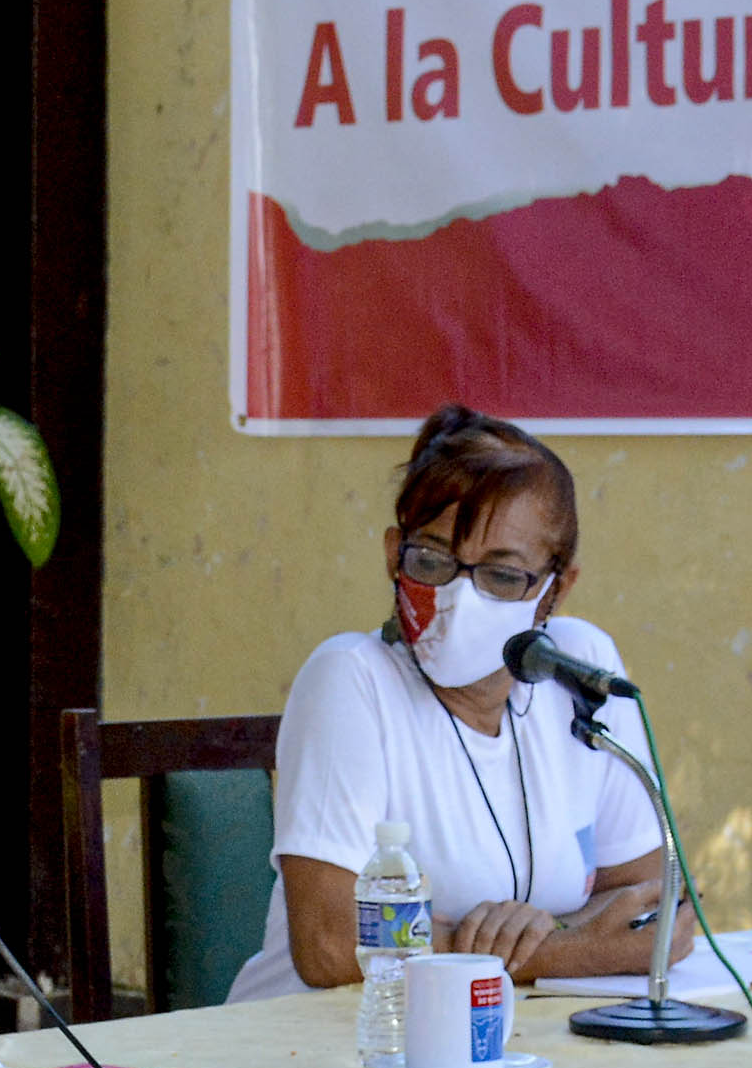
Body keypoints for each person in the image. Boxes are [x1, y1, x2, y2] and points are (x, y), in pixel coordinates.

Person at [228, 406, 694, 1003]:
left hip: (509, 1040)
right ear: (393, 553)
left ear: (556, 589)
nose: (458, 598)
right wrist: (569, 950)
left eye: (502, 576)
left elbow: (660, 907)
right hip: (322, 1054)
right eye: (432, 561)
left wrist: (543, 928)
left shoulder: (579, 670)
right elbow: (329, 946)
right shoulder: (350, 677)